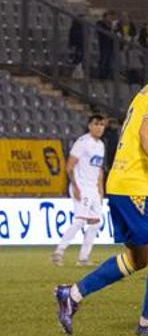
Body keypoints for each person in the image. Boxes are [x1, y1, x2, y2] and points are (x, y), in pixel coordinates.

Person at [55, 46, 148, 336]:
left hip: (122, 182)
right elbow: (147, 131)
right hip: (135, 185)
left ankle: (71, 295)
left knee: (140, 258)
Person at [52, 114, 108, 267]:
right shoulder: (82, 142)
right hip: (81, 187)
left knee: (96, 222)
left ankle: (83, 258)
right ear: (90, 126)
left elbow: (99, 170)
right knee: (80, 220)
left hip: (93, 189)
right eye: (96, 124)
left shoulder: (101, 145)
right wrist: (75, 186)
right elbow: (69, 166)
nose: (99, 127)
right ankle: (59, 251)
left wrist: (101, 191)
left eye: (102, 125)